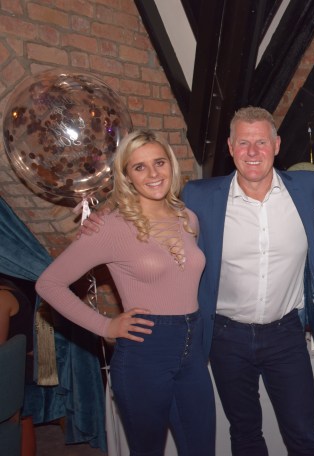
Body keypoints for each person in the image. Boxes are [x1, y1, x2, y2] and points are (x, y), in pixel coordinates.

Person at [36, 130, 215, 456]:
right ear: (127, 176)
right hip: (145, 353)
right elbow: (48, 284)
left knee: (202, 449)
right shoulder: (110, 226)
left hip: (193, 351)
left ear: (171, 165)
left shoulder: (188, 219)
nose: (153, 173)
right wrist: (105, 326)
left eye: (159, 162)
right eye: (139, 167)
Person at [180, 106, 314, 455]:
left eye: (261, 142)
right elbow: (156, 221)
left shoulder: (308, 188)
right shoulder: (199, 196)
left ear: (277, 145)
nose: (253, 152)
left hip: (286, 335)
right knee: (245, 432)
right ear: (230, 147)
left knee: (303, 433)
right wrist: (106, 216)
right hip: (226, 336)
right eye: (243, 142)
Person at [0, 277, 36, 456]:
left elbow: (0, 348)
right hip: (17, 363)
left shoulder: (2, 298)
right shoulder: (8, 287)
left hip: (19, 368)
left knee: (20, 415)